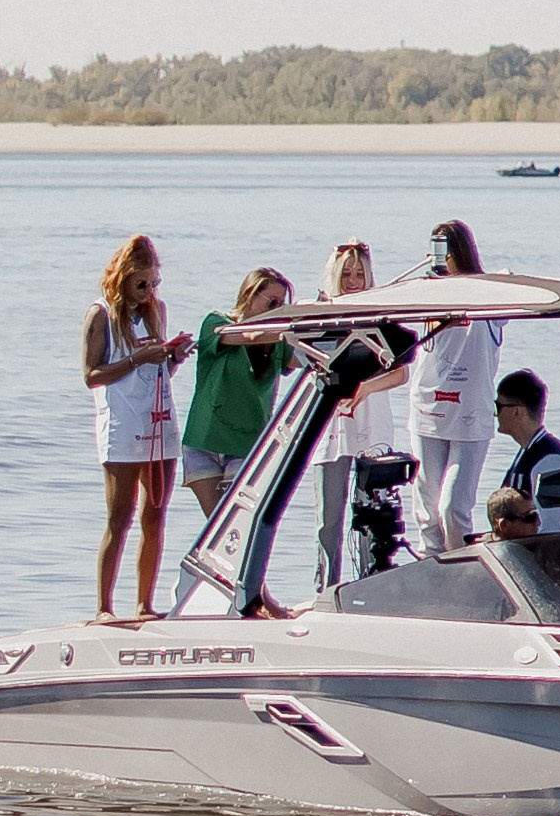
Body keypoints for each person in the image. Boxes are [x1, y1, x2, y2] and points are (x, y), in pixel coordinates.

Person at [83, 234, 191, 622]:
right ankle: (104, 608)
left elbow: (160, 372)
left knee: (155, 514)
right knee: (120, 516)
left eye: (154, 283)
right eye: (141, 284)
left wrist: (172, 357)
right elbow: (91, 375)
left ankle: (145, 604)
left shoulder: (155, 311)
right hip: (122, 425)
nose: (148, 291)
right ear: (122, 278)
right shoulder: (101, 315)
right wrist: (136, 360)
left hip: (158, 420)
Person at [314, 239, 410, 592]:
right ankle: (326, 588)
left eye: (359, 274)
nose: (353, 281)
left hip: (371, 422)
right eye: (347, 274)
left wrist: (366, 388)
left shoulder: (381, 316)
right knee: (329, 519)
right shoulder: (321, 314)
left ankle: (372, 585)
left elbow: (401, 373)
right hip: (331, 425)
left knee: (372, 511)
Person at [409, 215, 504, 556]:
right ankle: (430, 570)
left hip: (469, 413)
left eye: (446, 252)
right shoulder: (427, 293)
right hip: (428, 408)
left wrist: (466, 282)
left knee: (452, 508)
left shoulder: (489, 296)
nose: (441, 260)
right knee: (427, 511)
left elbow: (506, 288)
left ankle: (462, 567)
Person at [180, 267, 295, 517]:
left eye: (282, 305)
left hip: (246, 444)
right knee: (216, 525)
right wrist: (284, 331)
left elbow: (304, 359)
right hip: (204, 441)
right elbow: (244, 336)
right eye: (272, 302)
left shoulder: (277, 341)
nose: (276, 310)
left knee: (236, 522)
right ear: (250, 295)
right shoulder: (217, 322)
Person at [489, 368, 560, 531]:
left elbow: (550, 532)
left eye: (498, 406)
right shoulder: (528, 451)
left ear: (516, 411)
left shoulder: (552, 461)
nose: (495, 415)